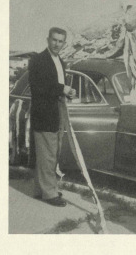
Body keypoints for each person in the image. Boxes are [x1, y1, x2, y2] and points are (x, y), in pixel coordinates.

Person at [29, 27, 76, 207]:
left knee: (50, 153)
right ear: (47, 39)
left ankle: (41, 189)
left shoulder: (60, 61)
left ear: (64, 43)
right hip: (43, 113)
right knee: (47, 155)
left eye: (60, 41)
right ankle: (49, 194)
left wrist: (67, 93)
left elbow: (57, 87)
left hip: (56, 111)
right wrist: (61, 89)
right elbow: (37, 87)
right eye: (54, 40)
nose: (57, 44)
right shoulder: (38, 60)